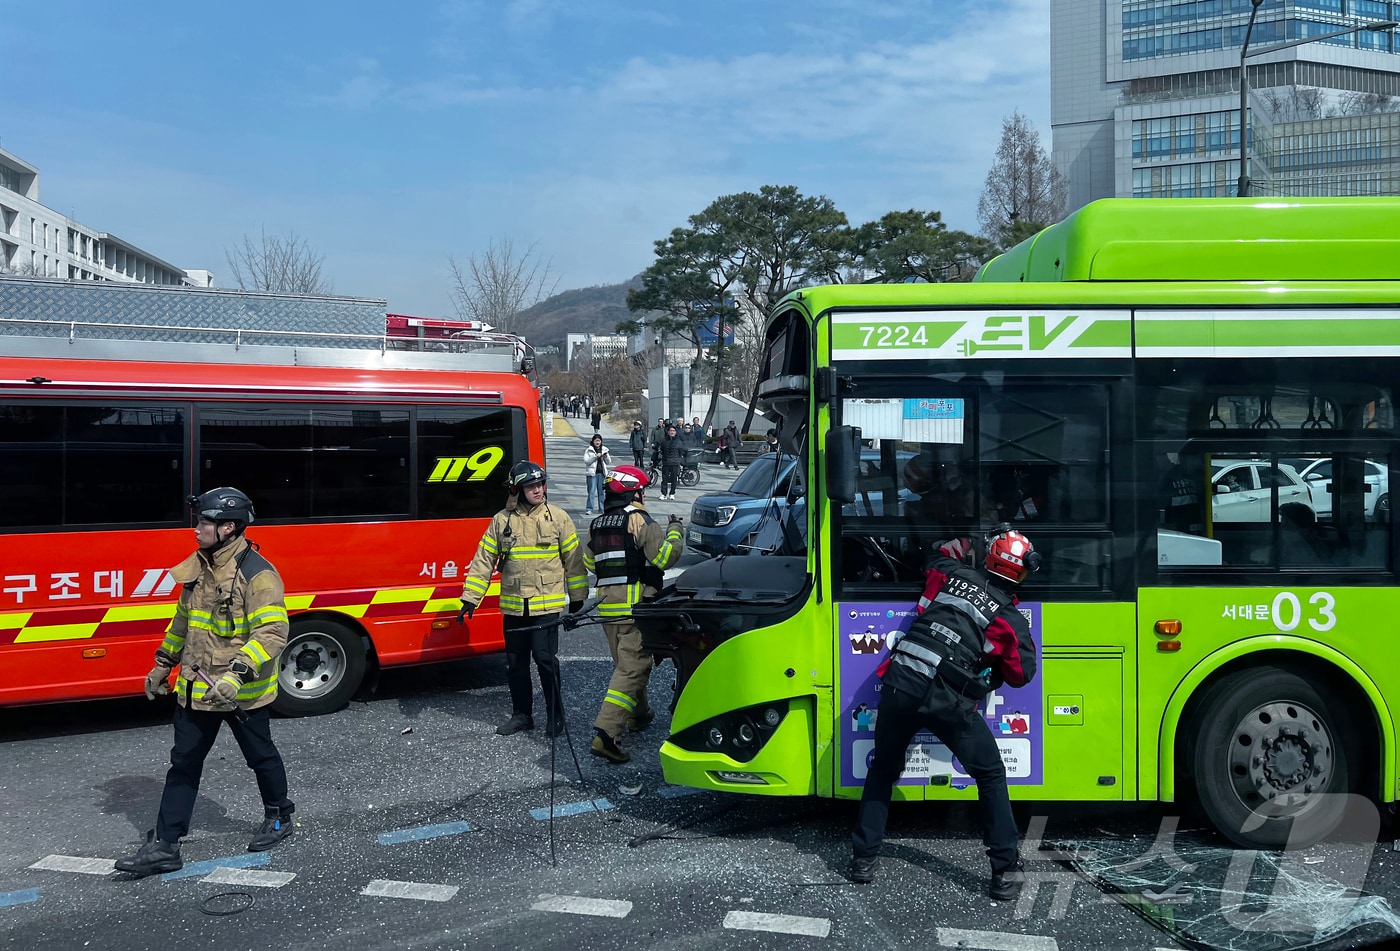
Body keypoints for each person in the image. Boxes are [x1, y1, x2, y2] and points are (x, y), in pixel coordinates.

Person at [850, 525, 1039, 900]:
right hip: (947, 698)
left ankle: (862, 861)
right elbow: (1022, 674)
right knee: (989, 774)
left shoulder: (951, 574)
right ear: (1023, 572)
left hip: (901, 682)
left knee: (883, 770)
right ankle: (1004, 873)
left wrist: (969, 539)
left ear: (987, 558)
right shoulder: (1008, 617)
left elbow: (936, 557)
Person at [115, 488, 295, 877]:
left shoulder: (258, 575)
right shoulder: (199, 568)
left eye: (204, 523)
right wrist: (163, 664)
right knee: (183, 763)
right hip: (197, 690)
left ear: (228, 527)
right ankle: (166, 845)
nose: (196, 530)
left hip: (240, 694)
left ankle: (280, 815)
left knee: (260, 757)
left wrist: (238, 675)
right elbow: (183, 623)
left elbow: (273, 633)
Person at [458, 461, 588, 737]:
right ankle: (522, 715)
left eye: (541, 484)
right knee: (516, 664)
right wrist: (471, 597)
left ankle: (555, 716)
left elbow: (574, 563)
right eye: (532, 486)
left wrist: (577, 599)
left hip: (546, 605)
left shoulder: (558, 518)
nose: (539, 490)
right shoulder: (501, 520)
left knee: (545, 660)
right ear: (517, 489)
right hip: (515, 606)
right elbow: (484, 560)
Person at [583, 466, 685, 763]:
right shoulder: (639, 519)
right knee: (632, 670)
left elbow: (591, 563)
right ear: (634, 492)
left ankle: (638, 716)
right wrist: (676, 531)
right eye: (642, 491)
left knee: (626, 664)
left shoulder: (597, 524)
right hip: (636, 609)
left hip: (608, 608)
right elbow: (664, 558)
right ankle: (606, 734)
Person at [583, 433, 611, 515]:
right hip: (592, 474)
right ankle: (589, 508)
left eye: (599, 440)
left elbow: (609, 462)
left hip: (602, 473)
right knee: (591, 492)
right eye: (596, 440)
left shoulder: (604, 449)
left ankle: (602, 508)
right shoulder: (589, 450)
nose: (597, 442)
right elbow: (587, 461)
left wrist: (606, 457)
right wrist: (595, 456)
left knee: (602, 492)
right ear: (593, 441)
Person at [658, 424, 685, 500]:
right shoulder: (664, 440)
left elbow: (681, 451)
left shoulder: (678, 441)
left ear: (675, 432)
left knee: (674, 479)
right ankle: (663, 494)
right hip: (666, 462)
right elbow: (662, 450)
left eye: (673, 431)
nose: (672, 432)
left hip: (675, 462)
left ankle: (672, 493)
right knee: (664, 479)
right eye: (670, 431)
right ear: (668, 432)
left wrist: (677, 458)